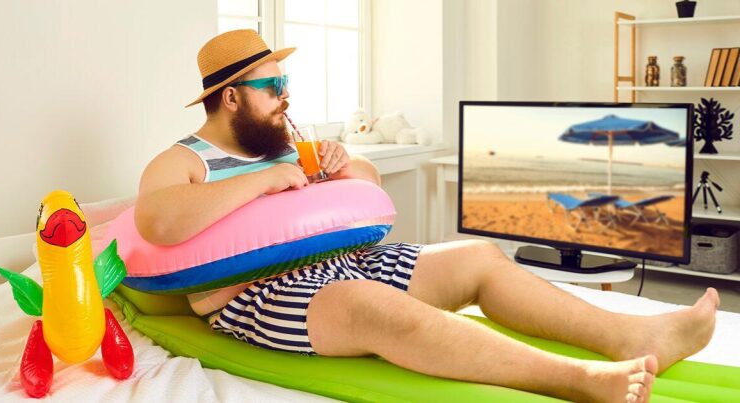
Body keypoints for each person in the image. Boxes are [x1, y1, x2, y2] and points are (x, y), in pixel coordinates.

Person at [135, 30, 720, 403]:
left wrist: (345, 161)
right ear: (231, 96)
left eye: (285, 83)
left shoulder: (284, 142)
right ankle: (579, 382)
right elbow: (157, 221)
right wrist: (263, 182)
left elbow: (364, 191)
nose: (285, 95)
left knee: (480, 257)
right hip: (259, 299)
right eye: (272, 86)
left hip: (344, 262)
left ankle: (633, 335)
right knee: (376, 308)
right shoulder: (184, 160)